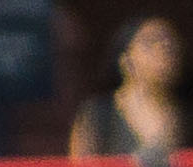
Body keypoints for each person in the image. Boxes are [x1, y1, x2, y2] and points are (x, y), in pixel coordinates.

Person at [68, 15, 182, 159]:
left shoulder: (188, 114)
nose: (162, 50)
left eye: (169, 45)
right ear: (125, 60)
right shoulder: (99, 114)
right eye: (150, 43)